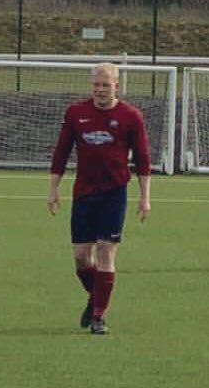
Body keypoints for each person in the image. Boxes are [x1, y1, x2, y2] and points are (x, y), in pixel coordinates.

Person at [47, 62, 152, 335]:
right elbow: (61, 152)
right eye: (96, 85)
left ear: (117, 86)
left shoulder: (131, 116)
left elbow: (142, 159)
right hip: (83, 193)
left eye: (106, 85)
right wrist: (53, 189)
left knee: (106, 252)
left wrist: (145, 197)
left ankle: (98, 316)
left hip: (114, 194)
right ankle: (96, 297)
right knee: (81, 258)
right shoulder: (76, 113)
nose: (100, 90)